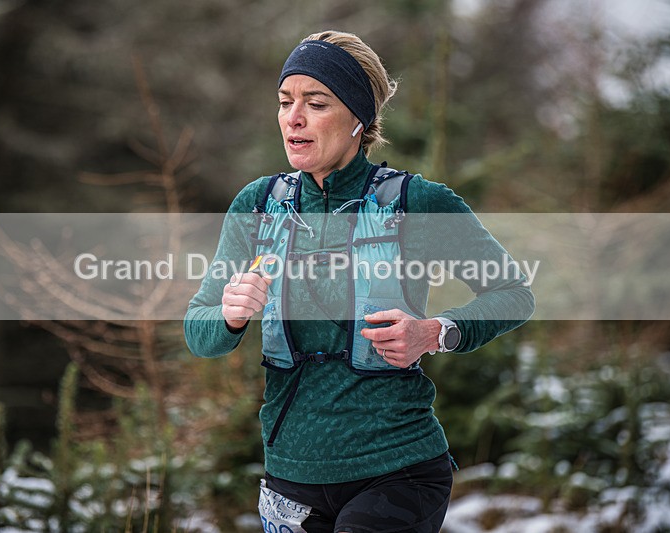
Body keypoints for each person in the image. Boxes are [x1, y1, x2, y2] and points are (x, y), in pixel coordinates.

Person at [184, 30, 535, 533]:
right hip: (290, 478)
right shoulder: (258, 206)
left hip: (398, 469)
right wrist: (229, 314)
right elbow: (199, 331)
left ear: (359, 119)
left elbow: (514, 294)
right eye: (285, 102)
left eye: (316, 103)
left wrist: (434, 332)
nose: (294, 118)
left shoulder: (418, 203)